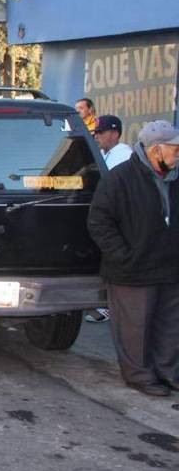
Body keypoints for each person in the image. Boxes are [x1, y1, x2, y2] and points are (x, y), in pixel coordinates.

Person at [86, 119, 179, 397]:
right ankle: (139, 375)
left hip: (171, 268)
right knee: (134, 328)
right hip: (132, 270)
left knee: (170, 325)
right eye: (175, 150)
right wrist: (123, 255)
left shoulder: (175, 179)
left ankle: (168, 372)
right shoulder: (121, 178)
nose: (178, 155)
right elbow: (99, 221)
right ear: (156, 150)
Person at [85, 115, 136, 323]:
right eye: (95, 133)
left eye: (101, 133)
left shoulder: (123, 155)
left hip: (122, 220)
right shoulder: (107, 155)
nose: (97, 137)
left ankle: (108, 307)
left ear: (114, 134)